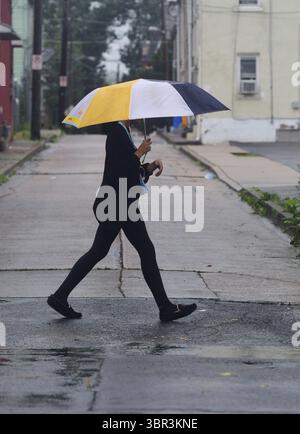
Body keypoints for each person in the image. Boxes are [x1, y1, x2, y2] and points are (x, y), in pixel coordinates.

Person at [47, 121, 197, 322]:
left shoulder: (124, 131)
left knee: (102, 251)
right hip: (117, 203)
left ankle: (59, 296)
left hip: (121, 203)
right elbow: (118, 170)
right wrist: (138, 153)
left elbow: (131, 172)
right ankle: (165, 307)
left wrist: (150, 166)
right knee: (142, 250)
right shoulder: (117, 132)